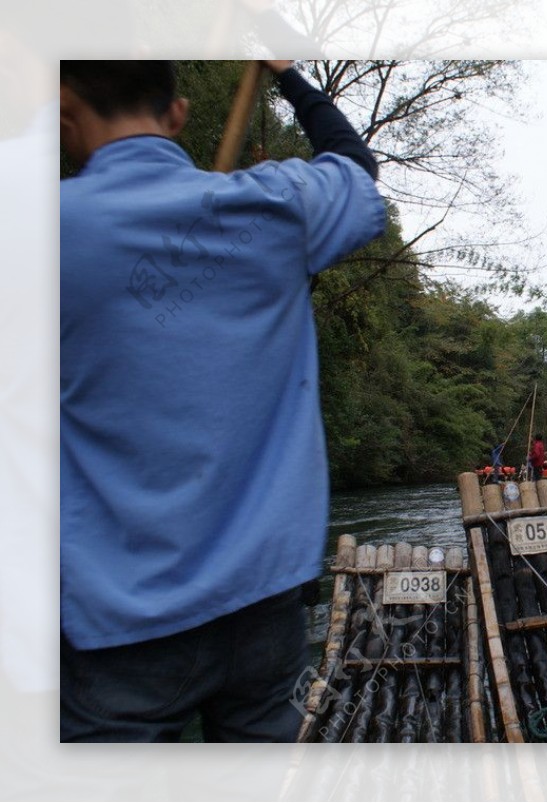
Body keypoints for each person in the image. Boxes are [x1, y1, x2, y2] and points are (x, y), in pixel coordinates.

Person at [59, 60, 386, 742]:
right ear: (177, 114)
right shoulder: (275, 206)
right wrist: (290, 77)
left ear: (65, 114)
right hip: (264, 606)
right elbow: (355, 165)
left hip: (120, 618)